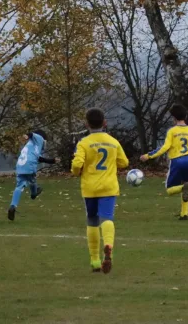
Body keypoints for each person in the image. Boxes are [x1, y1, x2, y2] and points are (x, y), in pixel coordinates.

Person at [71, 108, 129, 273]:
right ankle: (108, 246)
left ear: (86, 124)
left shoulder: (83, 143)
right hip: (109, 186)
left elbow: (76, 165)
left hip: (90, 188)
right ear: (105, 123)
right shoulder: (112, 141)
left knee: (92, 221)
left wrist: (76, 172)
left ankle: (95, 260)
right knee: (107, 218)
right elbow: (124, 162)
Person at [140, 104, 188, 220]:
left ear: (173, 118)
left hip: (177, 161)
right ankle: (184, 213)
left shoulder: (172, 131)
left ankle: (182, 189)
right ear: (186, 116)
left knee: (170, 190)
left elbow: (164, 147)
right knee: (185, 182)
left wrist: (148, 156)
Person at [8, 130, 58, 221]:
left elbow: (39, 158)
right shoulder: (39, 139)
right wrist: (27, 135)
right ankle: (34, 193)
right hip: (29, 165)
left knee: (19, 186)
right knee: (32, 181)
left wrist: (52, 161)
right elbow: (31, 134)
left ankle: (12, 206)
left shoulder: (31, 146)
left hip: (20, 165)